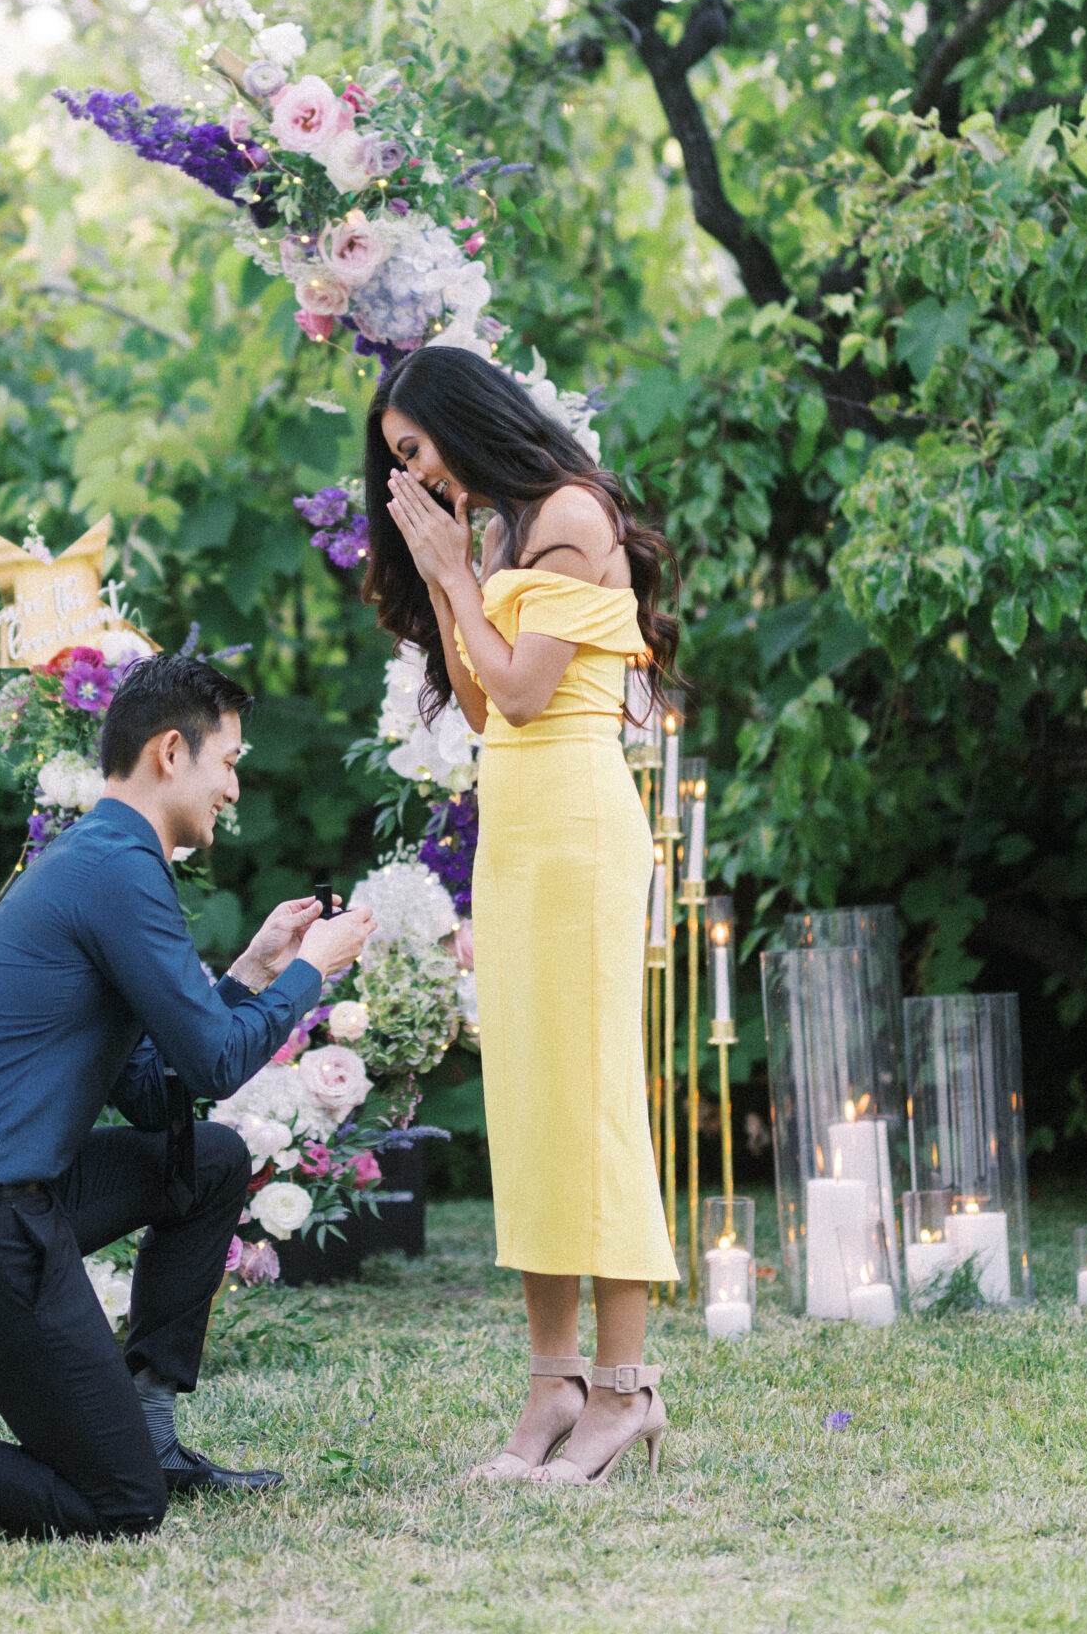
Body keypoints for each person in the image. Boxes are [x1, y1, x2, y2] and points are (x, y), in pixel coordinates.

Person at [0, 652, 374, 1546]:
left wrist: (253, 972)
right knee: (116, 1508)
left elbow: (161, 1098)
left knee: (210, 1161)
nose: (233, 790)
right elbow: (214, 1069)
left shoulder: (104, 860)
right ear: (171, 752)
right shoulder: (117, 871)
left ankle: (152, 1436)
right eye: (228, 762)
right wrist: (312, 971)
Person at [362, 344, 680, 1489]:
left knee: (590, 1096)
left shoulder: (570, 515)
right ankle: (552, 1377)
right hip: (519, 823)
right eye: (398, 460)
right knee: (533, 1099)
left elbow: (536, 689)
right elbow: (489, 701)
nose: (416, 470)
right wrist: (453, 571)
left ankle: (624, 1386)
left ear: (464, 417)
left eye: (417, 446)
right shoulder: (500, 532)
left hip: (583, 823)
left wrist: (453, 574)